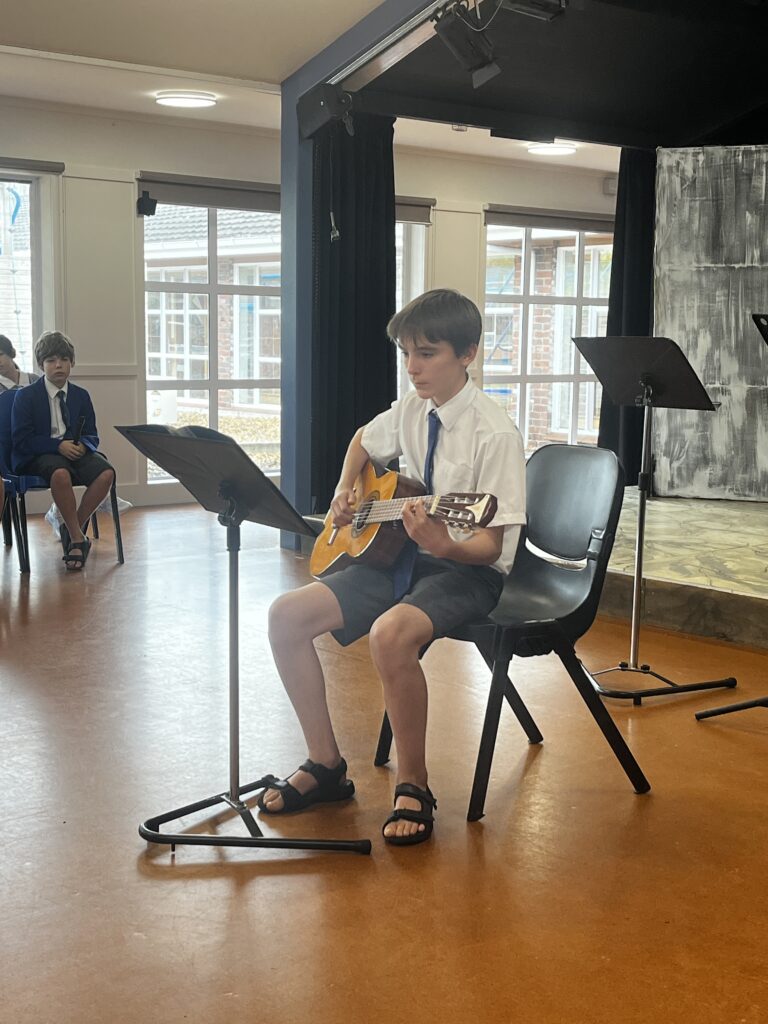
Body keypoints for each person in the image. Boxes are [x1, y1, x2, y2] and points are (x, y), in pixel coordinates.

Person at [260, 289, 526, 846]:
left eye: (427, 353)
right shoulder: (412, 408)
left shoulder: (494, 433)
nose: (413, 368)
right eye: (407, 353)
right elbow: (363, 439)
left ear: (468, 354)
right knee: (285, 615)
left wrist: (442, 542)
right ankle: (326, 765)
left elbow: (490, 547)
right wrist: (343, 489)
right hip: (398, 555)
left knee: (390, 634)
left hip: (465, 571)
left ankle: (414, 784)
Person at [10, 331, 115, 570]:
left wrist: (82, 446)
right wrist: (57, 445)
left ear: (72, 362)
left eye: (64, 360)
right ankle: (78, 540)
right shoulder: (26, 397)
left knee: (106, 473)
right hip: (39, 453)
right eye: (51, 360)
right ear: (40, 365)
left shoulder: (81, 395)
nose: (58, 365)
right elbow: (22, 440)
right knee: (60, 474)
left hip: (74, 452)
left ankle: (71, 528)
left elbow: (92, 434)